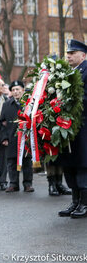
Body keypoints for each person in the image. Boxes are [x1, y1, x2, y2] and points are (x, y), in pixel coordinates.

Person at [58, 39, 87, 218]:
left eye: (72, 53)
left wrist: (68, 103)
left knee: (82, 164)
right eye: (68, 53)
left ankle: (84, 202)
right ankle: (75, 200)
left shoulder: (85, 72)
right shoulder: (68, 73)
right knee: (69, 164)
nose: (68, 56)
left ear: (83, 55)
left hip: (82, 125)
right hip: (67, 126)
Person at [0, 80, 34, 193]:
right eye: (13, 90)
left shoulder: (29, 104)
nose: (15, 92)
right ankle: (13, 184)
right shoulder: (6, 105)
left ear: (23, 90)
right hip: (11, 138)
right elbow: (2, 123)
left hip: (26, 138)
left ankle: (28, 184)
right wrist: (4, 138)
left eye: (18, 89)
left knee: (27, 161)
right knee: (11, 162)